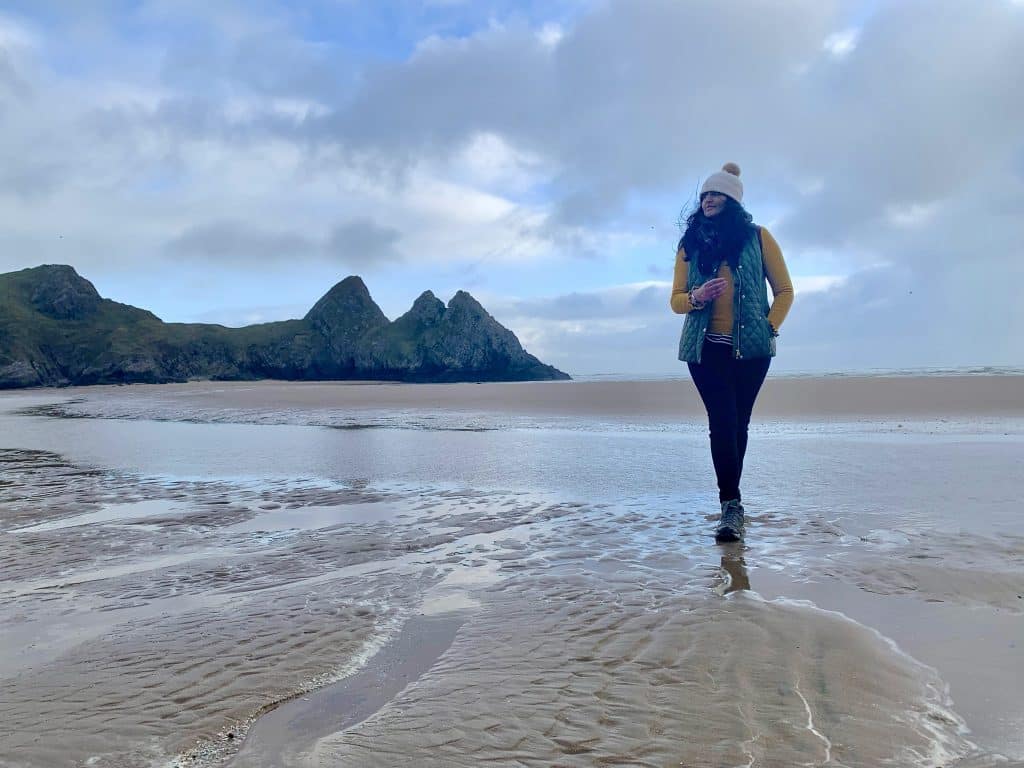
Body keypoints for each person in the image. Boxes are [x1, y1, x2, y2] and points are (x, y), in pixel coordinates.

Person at [670, 163, 794, 543]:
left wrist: (769, 327)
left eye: (716, 194)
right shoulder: (690, 244)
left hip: (752, 351)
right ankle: (731, 505)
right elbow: (676, 301)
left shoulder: (758, 238)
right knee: (723, 422)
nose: (708, 200)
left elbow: (785, 291)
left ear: (732, 201)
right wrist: (696, 297)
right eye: (705, 195)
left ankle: (731, 504)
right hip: (705, 349)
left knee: (739, 424)